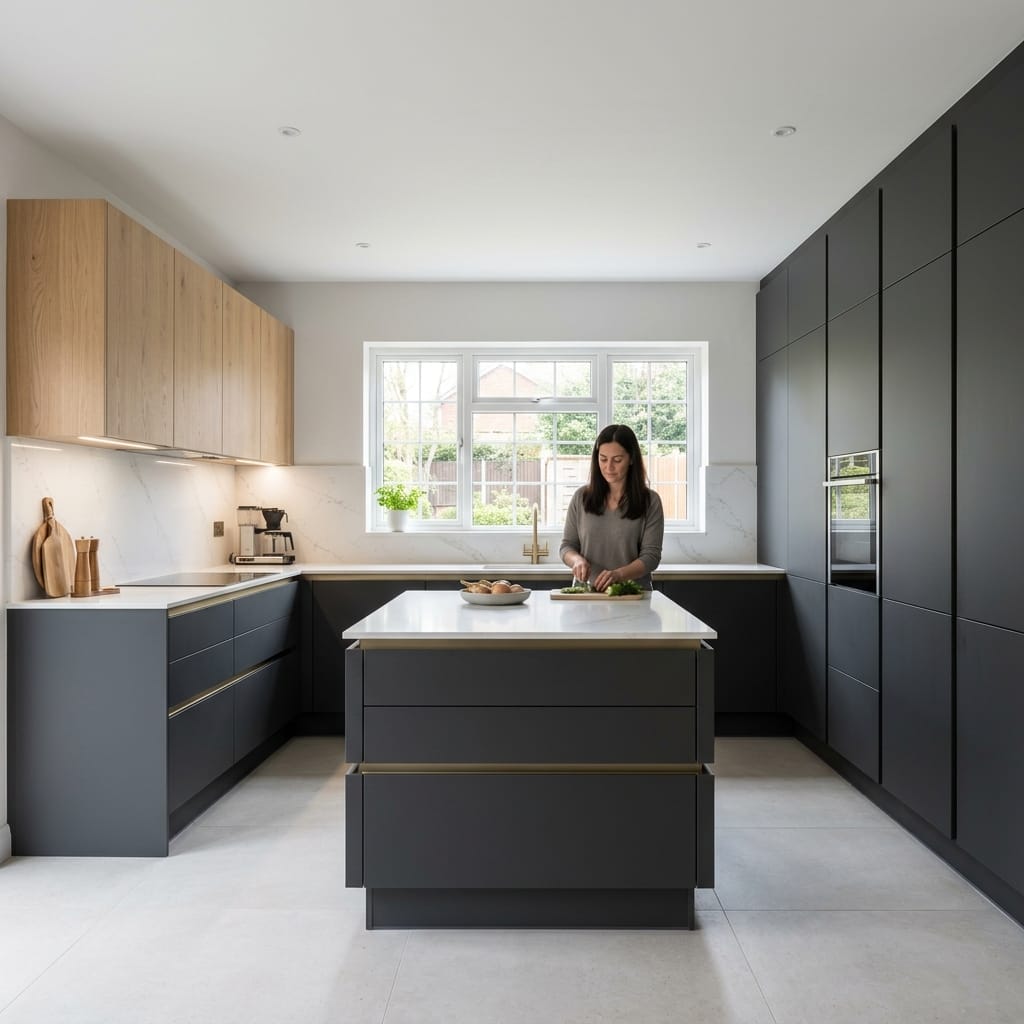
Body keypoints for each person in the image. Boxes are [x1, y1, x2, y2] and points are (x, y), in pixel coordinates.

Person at [559, 424, 664, 591]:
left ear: (631, 459)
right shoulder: (581, 497)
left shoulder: (650, 501)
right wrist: (576, 560)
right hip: (587, 594)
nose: (609, 467)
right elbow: (567, 547)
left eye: (617, 460)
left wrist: (619, 575)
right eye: (603, 459)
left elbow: (651, 557)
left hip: (633, 595)